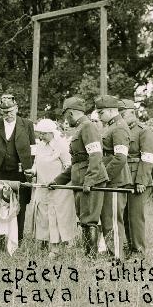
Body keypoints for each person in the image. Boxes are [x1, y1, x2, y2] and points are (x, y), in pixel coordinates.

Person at [50, 96, 108, 257]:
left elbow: (95, 156)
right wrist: (57, 180)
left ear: (69, 113)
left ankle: (91, 258)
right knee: (83, 218)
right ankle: (88, 253)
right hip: (80, 179)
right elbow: (77, 161)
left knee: (89, 219)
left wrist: (89, 180)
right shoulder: (81, 127)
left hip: (90, 180)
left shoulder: (88, 127)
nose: (65, 119)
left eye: (65, 115)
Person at [0, 93, 36, 246]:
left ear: (17, 108)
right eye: (4, 112)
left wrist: (32, 169)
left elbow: (33, 149)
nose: (8, 115)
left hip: (20, 174)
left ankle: (18, 240)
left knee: (20, 206)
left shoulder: (27, 124)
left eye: (11, 111)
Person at [26, 118, 75, 258]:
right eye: (39, 134)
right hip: (42, 186)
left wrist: (59, 181)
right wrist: (33, 171)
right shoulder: (40, 145)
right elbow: (37, 162)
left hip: (59, 188)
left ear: (51, 132)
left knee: (56, 216)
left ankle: (56, 248)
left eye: (42, 134)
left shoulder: (62, 145)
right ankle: (44, 243)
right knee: (42, 215)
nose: (40, 136)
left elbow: (68, 166)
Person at [117, 99, 153, 259]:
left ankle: (138, 251)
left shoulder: (143, 131)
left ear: (132, 113)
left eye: (122, 114)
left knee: (135, 216)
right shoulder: (121, 129)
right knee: (124, 215)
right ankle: (129, 246)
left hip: (137, 177)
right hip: (123, 176)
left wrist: (141, 181)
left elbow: (147, 158)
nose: (120, 117)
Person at [96, 95, 132, 259]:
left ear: (111, 111)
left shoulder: (118, 127)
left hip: (115, 181)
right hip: (111, 180)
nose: (99, 116)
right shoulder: (111, 126)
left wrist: (105, 177)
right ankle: (113, 252)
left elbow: (120, 158)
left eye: (101, 112)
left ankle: (117, 256)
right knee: (107, 219)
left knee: (113, 221)